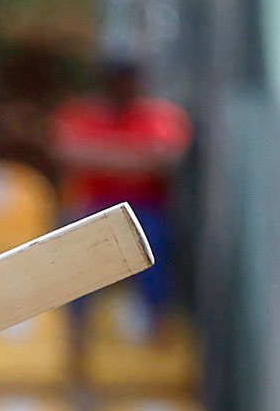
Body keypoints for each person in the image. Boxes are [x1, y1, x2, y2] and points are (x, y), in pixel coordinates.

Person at [50, 41, 191, 336]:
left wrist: (100, 156)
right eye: (115, 77)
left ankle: (156, 332)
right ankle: (73, 339)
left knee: (155, 244)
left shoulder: (159, 115)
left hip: (146, 211)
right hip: (93, 208)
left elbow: (162, 162)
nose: (121, 84)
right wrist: (134, 157)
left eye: (127, 77)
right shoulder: (81, 112)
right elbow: (68, 153)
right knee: (67, 244)